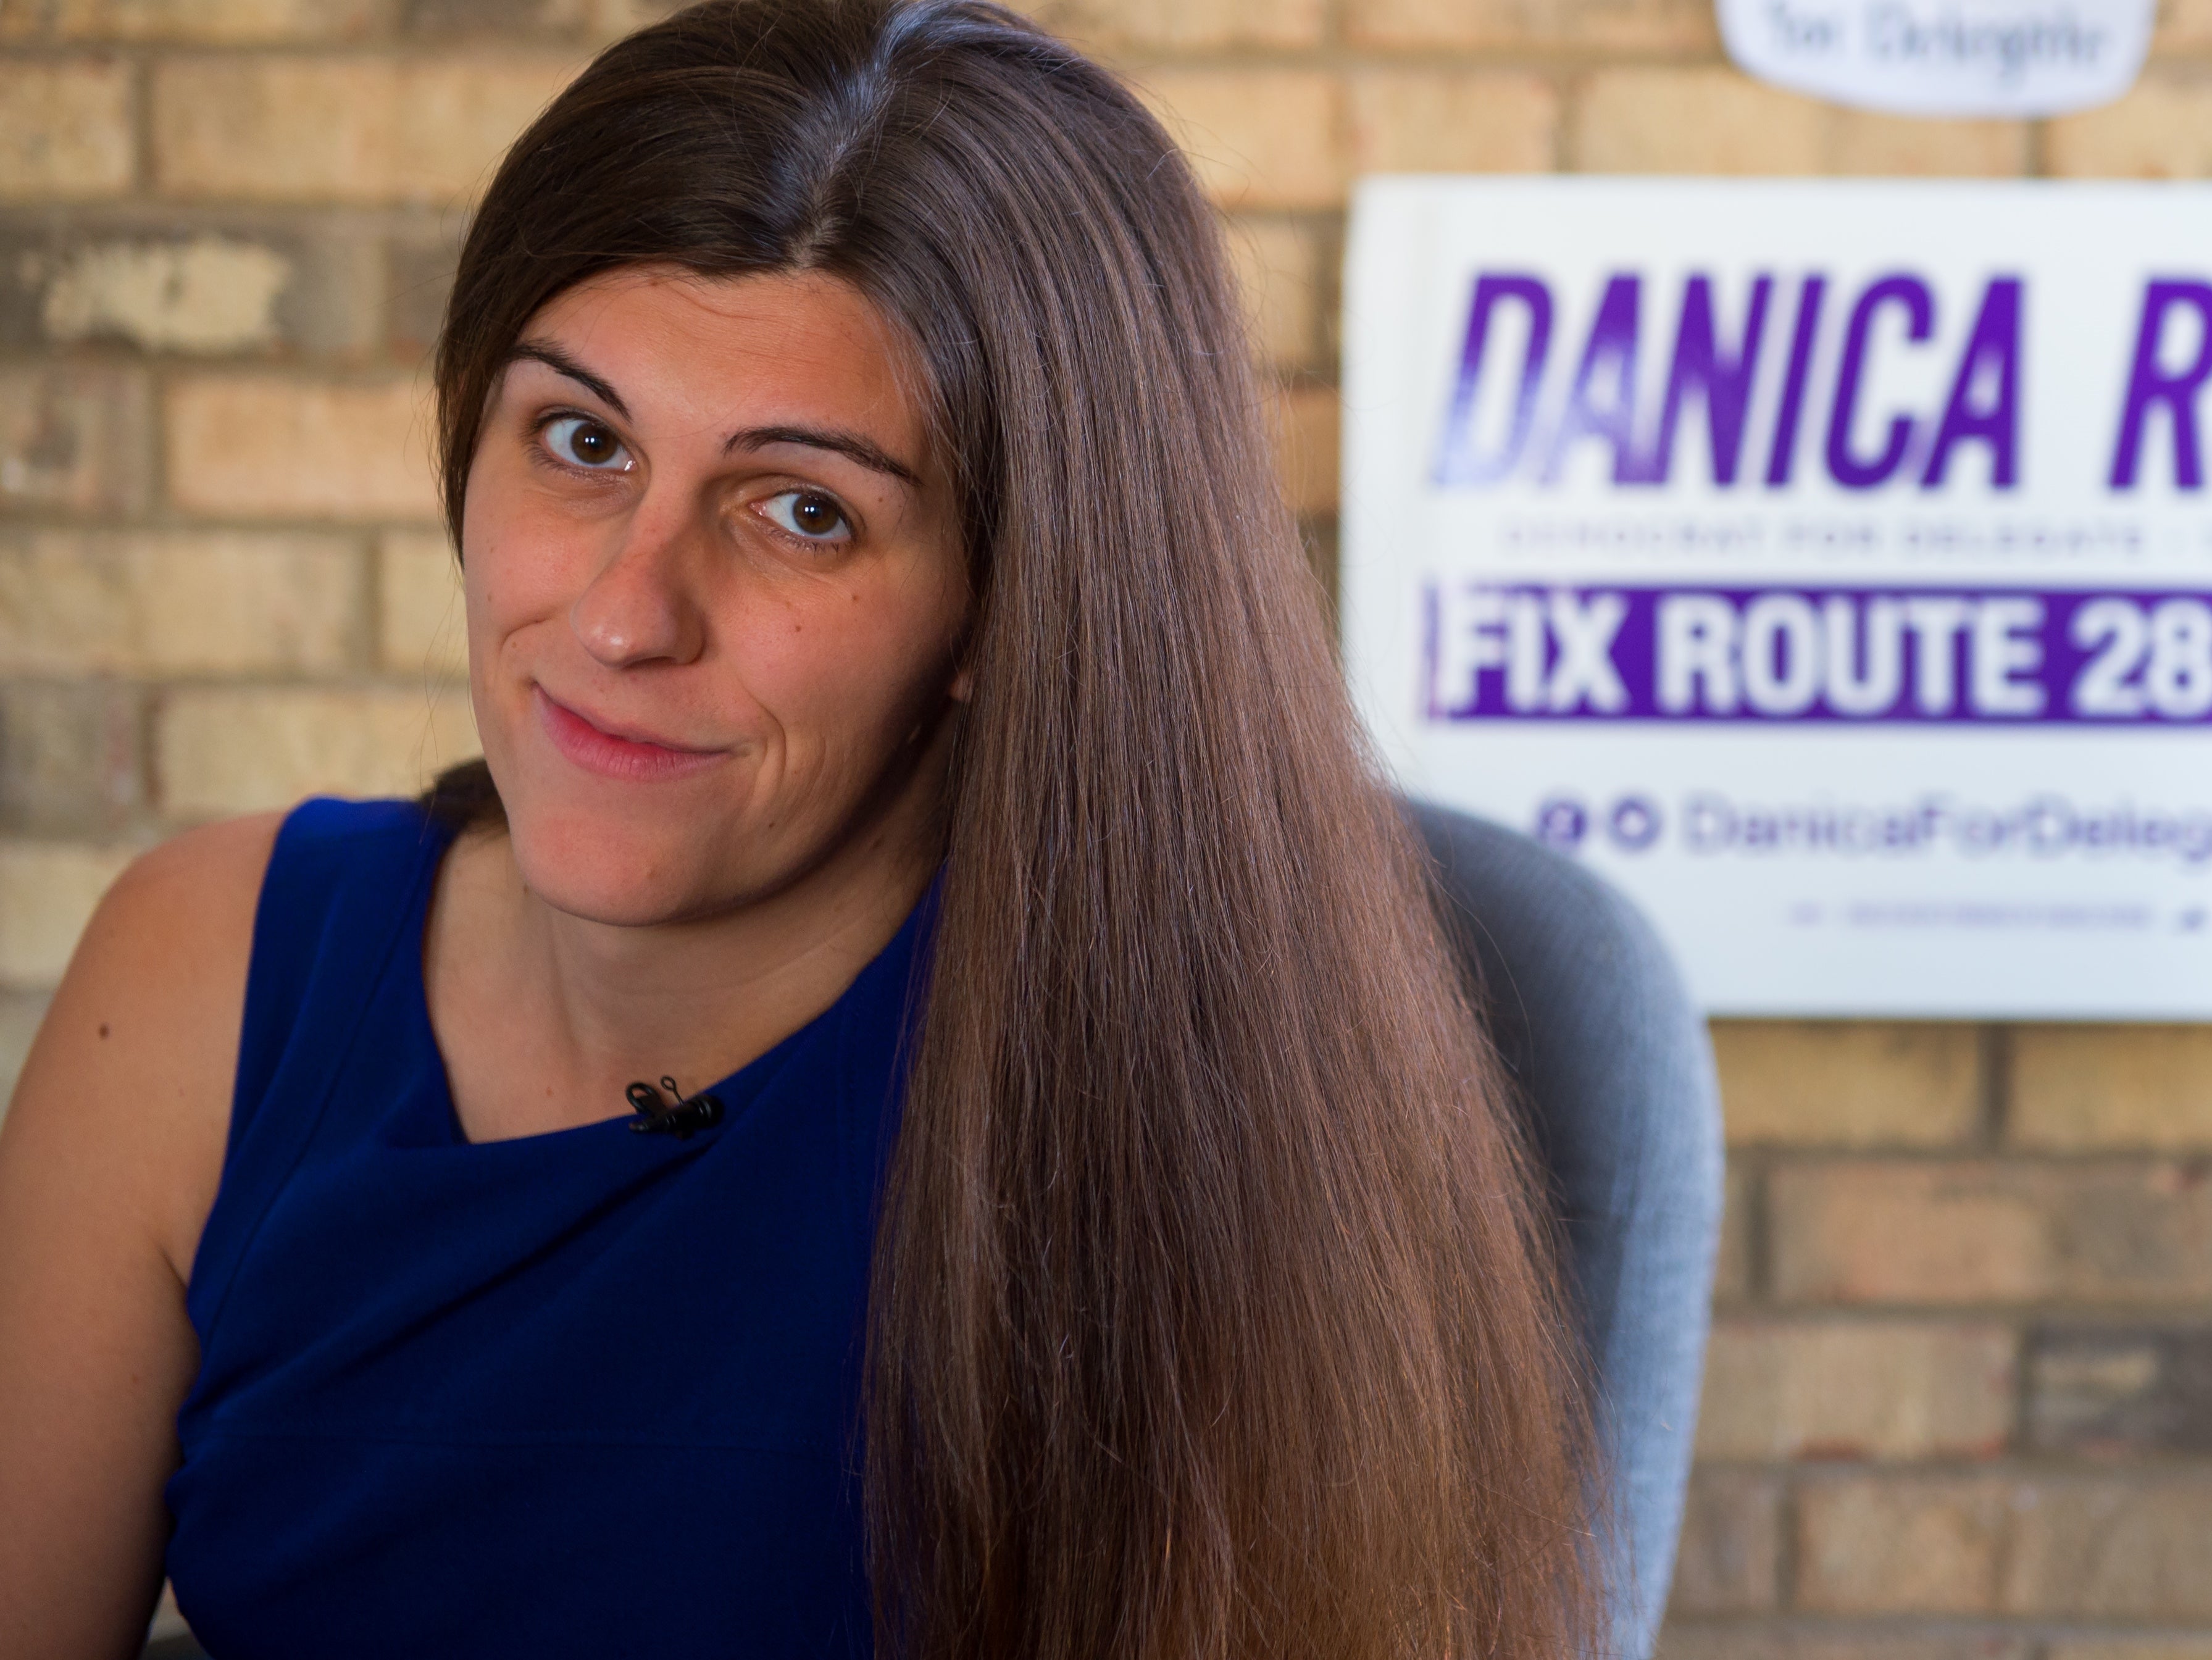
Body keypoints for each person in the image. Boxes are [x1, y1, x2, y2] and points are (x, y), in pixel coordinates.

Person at [0, 2, 1601, 1655]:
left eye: (804, 511)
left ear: (1009, 606)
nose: (628, 615)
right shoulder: (205, 971)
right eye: (581, 440)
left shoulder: (1207, 1112)